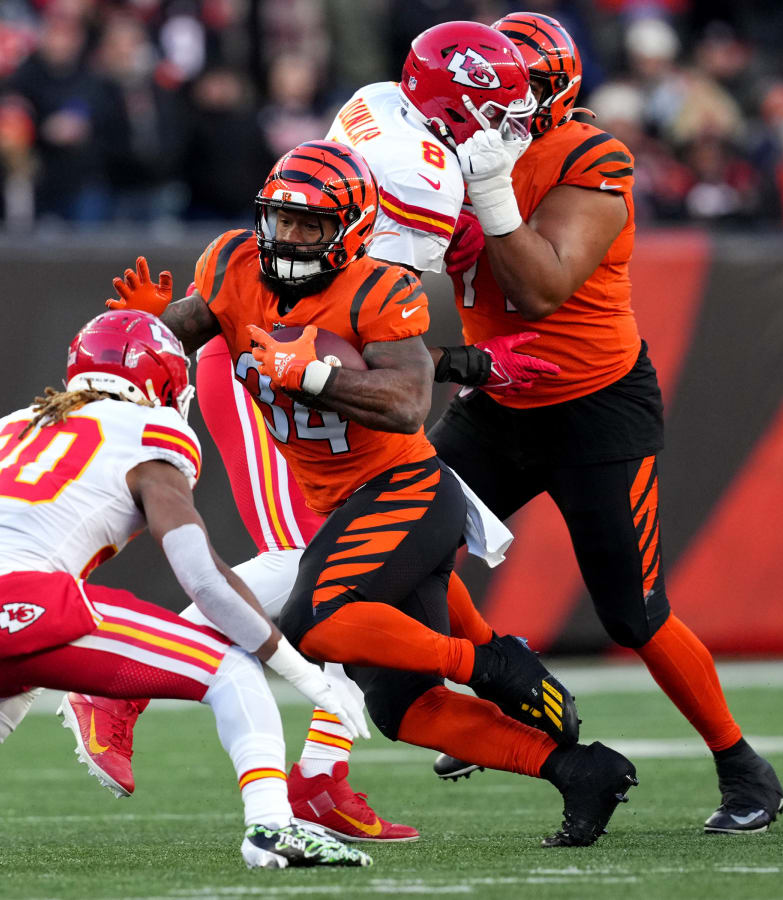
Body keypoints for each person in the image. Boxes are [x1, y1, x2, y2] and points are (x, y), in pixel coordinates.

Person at [64, 23, 562, 845]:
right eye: (496, 109)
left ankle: (325, 777)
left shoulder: (379, 104)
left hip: (305, 383)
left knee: (371, 584)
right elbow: (374, 336)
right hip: (281, 383)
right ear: (455, 101)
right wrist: (470, 354)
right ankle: (121, 683)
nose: (508, 128)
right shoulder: (425, 177)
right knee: (317, 577)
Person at [0, 309, 372, 871]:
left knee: (22, 664)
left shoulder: (13, 429)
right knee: (233, 668)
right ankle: (271, 826)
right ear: (159, 378)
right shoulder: (152, 433)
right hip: (11, 602)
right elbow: (203, 578)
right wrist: (309, 679)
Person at [425, 11, 783, 835]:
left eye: (506, 87)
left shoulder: (592, 154)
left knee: (633, 611)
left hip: (594, 406)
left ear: (548, 93)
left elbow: (542, 287)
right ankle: (513, 687)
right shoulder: (452, 147)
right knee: (402, 540)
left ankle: (742, 767)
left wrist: (482, 191)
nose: (488, 105)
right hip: (498, 400)